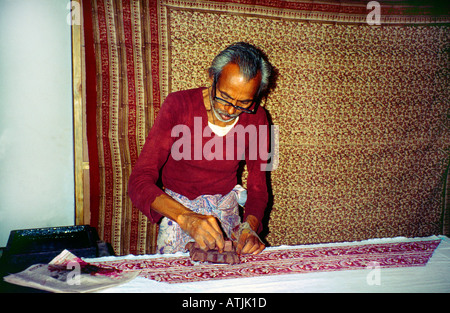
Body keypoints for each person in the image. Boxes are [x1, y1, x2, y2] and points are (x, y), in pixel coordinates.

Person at [128, 42, 274, 255]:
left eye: (243, 103)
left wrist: (249, 227)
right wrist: (187, 219)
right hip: (179, 214)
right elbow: (139, 182)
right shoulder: (178, 105)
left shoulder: (258, 117)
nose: (230, 109)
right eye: (224, 96)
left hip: (227, 213)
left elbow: (259, 187)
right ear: (213, 77)